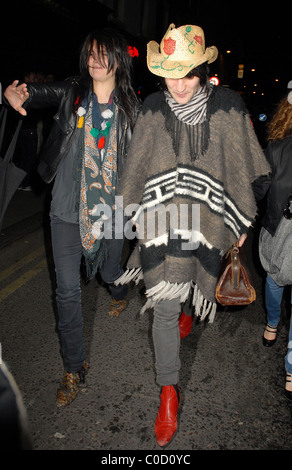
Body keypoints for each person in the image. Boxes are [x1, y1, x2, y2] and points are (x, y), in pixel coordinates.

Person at [114, 23, 271, 447]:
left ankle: (187, 305)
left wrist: (241, 225)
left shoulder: (228, 107)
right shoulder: (150, 107)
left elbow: (250, 170)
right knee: (163, 306)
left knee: (186, 284)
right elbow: (135, 168)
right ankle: (169, 391)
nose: (178, 85)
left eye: (187, 74)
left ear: (202, 70)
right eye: (169, 73)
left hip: (207, 222)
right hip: (161, 223)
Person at [3, 27, 140, 407]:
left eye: (102, 54)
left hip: (111, 211)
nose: (94, 60)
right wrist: (16, 93)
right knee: (67, 290)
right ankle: (73, 366)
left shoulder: (132, 109)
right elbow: (35, 92)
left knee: (111, 269)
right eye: (90, 54)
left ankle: (117, 286)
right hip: (66, 207)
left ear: (118, 59)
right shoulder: (71, 92)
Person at [253, 94, 292, 401]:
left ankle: (291, 365)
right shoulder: (277, 150)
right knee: (275, 281)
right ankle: (273, 320)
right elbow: (257, 189)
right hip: (281, 229)